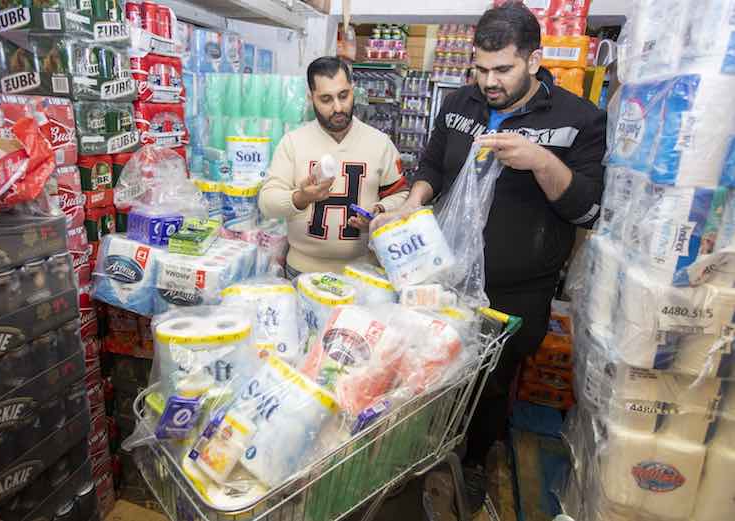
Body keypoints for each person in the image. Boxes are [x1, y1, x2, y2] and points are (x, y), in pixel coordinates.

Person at [373, 2, 606, 507]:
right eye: (480, 68)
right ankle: (425, 453)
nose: (489, 82)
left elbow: (587, 210)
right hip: (446, 277)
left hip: (514, 292)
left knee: (491, 386)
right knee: (432, 373)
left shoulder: (578, 120)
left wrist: (542, 161)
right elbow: (433, 164)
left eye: (502, 69)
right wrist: (411, 205)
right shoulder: (460, 103)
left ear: (534, 60)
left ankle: (475, 460)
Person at [259, 56, 409, 278]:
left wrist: (379, 213)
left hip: (362, 274)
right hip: (301, 271)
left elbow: (401, 195)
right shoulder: (293, 142)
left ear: (353, 89)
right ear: (311, 99)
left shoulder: (380, 143)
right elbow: (267, 202)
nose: (338, 107)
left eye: (343, 95)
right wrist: (301, 198)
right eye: (326, 99)